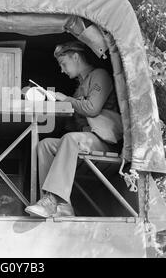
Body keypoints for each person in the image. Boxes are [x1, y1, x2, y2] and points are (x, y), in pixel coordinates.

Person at [25, 40, 122, 218]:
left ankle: (51, 202)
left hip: (104, 141)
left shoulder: (99, 75)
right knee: (45, 145)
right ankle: (60, 207)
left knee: (70, 139)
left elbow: (92, 107)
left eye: (64, 64)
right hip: (85, 140)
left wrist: (66, 100)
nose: (62, 70)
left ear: (76, 57)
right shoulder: (79, 87)